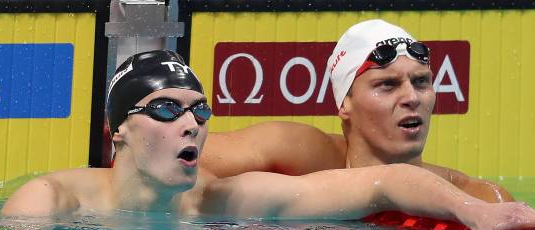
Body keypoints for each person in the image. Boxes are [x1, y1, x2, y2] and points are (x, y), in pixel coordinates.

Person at [2, 50, 535, 230]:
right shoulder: (53, 201)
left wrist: (475, 213)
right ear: (116, 131)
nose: (190, 124)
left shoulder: (223, 202)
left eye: (199, 110)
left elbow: (384, 182)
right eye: (167, 109)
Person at [200, 19, 513, 203]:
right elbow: (168, 163)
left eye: (421, 81)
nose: (412, 97)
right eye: (388, 85)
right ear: (344, 103)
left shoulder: (478, 198)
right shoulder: (296, 153)